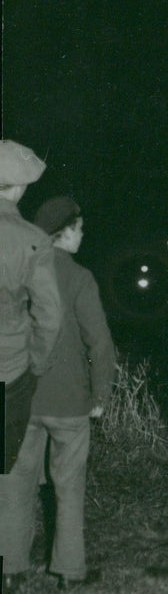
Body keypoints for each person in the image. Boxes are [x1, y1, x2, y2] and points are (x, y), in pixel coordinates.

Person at [2, 197, 116, 594]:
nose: (83, 235)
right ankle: (69, 571)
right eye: (79, 228)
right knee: (69, 486)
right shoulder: (80, 276)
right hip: (69, 401)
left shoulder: (21, 264)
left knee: (15, 486)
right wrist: (101, 392)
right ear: (64, 232)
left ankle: (10, 572)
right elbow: (100, 343)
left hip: (21, 395)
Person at [0, 140, 61, 475]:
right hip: (9, 370)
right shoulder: (32, 239)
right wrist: (34, 365)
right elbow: (49, 315)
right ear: (20, 187)